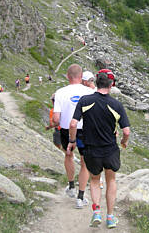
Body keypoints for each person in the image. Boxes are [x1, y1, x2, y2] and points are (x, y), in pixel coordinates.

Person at [68, 70, 130, 228]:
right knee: (111, 180)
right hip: (110, 149)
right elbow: (126, 131)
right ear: (111, 85)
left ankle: (96, 211)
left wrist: (72, 141)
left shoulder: (85, 100)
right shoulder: (116, 105)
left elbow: (73, 124)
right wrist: (123, 141)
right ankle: (110, 217)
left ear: (96, 82)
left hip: (91, 149)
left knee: (95, 180)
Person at [52, 64, 94, 208]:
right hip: (85, 130)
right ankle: (80, 197)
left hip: (66, 129)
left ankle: (71, 186)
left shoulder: (60, 92)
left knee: (68, 155)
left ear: (67, 76)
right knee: (85, 162)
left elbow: (56, 119)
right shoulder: (90, 92)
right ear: (81, 76)